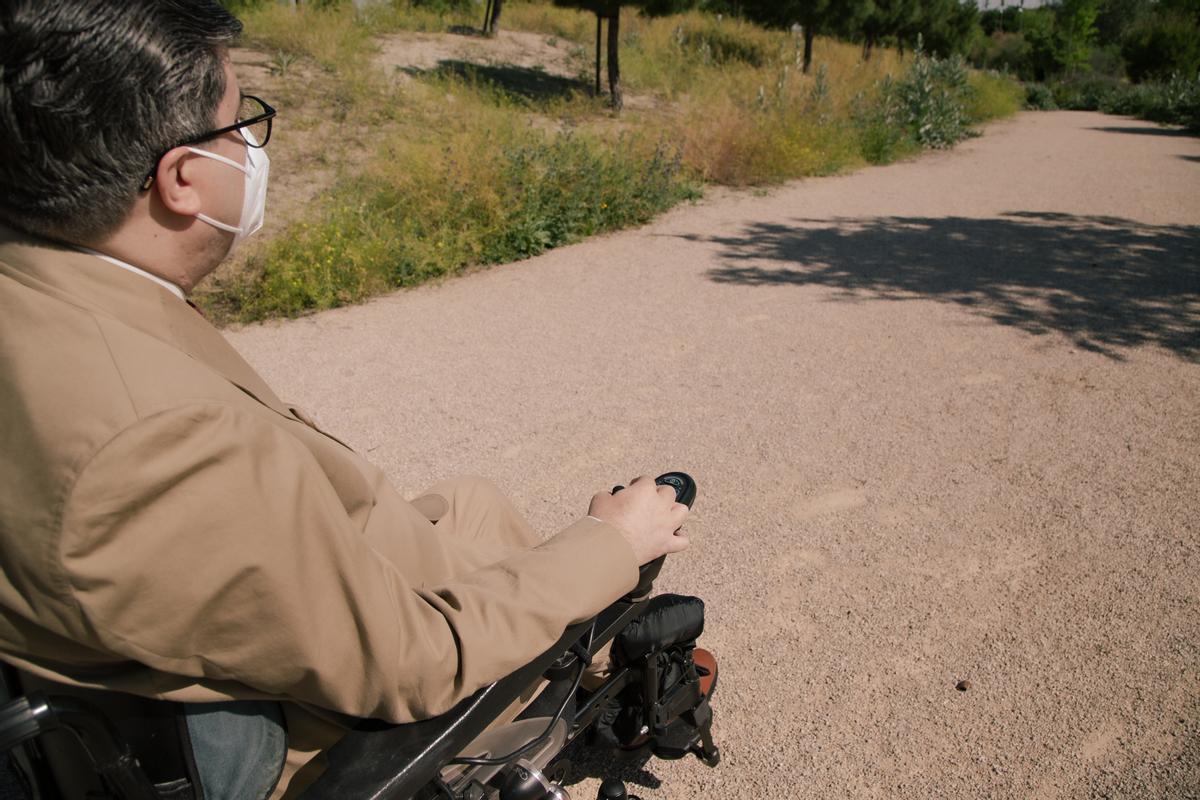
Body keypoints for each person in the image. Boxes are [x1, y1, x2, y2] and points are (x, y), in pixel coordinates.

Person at [0, 1, 692, 795]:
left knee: (470, 504)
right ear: (182, 179)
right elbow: (414, 662)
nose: (251, 148)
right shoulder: (156, 442)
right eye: (238, 125)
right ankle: (583, 676)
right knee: (593, 548)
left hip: (283, 585)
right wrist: (611, 543)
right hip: (335, 715)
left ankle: (591, 660)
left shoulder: (45, 284)